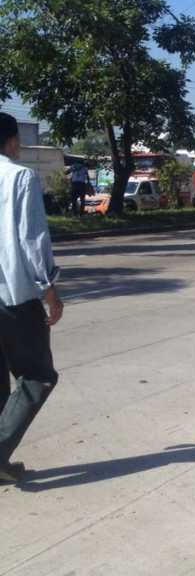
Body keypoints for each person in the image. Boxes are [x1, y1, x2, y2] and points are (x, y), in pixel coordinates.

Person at [0, 112, 63, 486]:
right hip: (15, 295)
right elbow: (32, 239)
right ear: (11, 142)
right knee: (38, 375)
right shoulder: (20, 177)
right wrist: (49, 288)